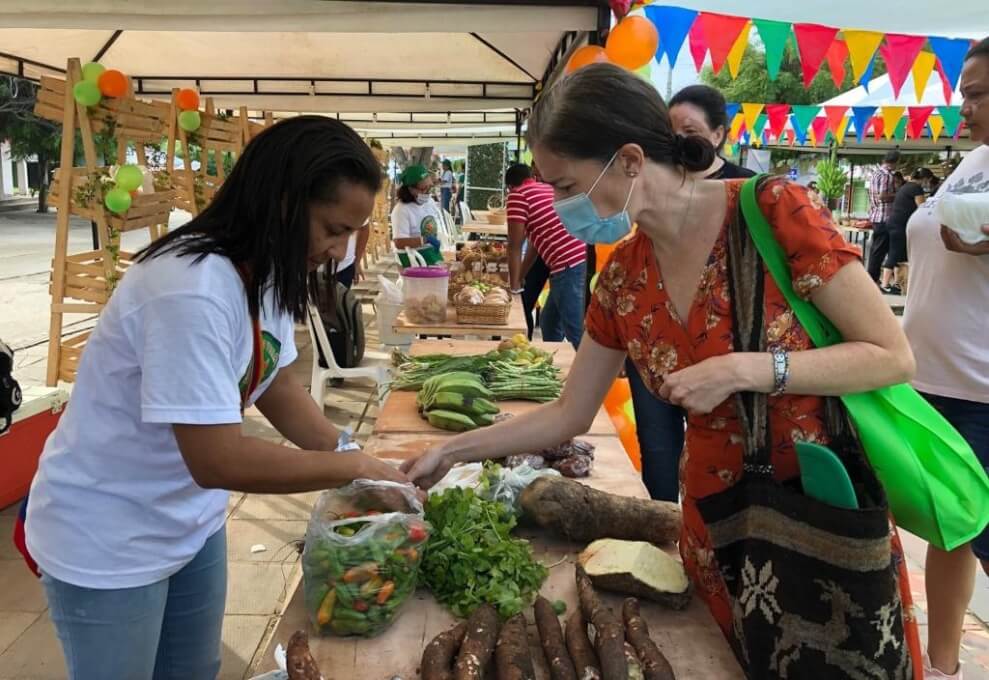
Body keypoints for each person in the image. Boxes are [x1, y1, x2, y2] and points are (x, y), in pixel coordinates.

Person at [402, 63, 921, 672]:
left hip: (813, 513)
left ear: (627, 160)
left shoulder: (772, 210)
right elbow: (569, 412)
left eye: (566, 186)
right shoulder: (622, 276)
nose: (560, 206)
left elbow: (892, 355)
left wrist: (745, 369)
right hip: (712, 520)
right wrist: (454, 451)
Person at [22, 116, 412, 680]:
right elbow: (217, 459)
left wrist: (349, 449)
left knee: (192, 670)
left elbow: (272, 381)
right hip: (110, 537)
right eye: (332, 228)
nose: (337, 251)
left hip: (190, 524)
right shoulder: (190, 287)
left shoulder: (271, 271)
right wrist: (350, 467)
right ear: (281, 201)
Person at [902, 36, 989, 680]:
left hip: (984, 389)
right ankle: (944, 665)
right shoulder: (975, 162)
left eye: (981, 95)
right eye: (965, 94)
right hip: (931, 382)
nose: (966, 109)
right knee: (948, 529)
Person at [625, 84, 756, 500]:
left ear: (718, 134)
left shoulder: (751, 191)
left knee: (725, 474)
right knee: (659, 457)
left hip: (726, 357)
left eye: (691, 129)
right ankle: (661, 536)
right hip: (655, 350)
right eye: (671, 129)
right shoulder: (657, 187)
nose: (679, 139)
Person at [505, 163, 587, 348]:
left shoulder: (517, 196)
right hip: (580, 257)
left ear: (510, 186)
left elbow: (514, 246)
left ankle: (591, 375)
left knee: (575, 331)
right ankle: (557, 365)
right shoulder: (545, 188)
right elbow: (535, 246)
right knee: (549, 322)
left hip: (568, 265)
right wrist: (520, 277)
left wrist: (514, 287)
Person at [668, 84, 757, 180]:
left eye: (690, 131)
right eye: (670, 131)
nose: (677, 137)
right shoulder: (658, 179)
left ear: (718, 135)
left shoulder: (747, 183)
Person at [880, 167, 933, 294]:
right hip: (900, 225)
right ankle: (885, 284)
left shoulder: (905, 186)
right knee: (894, 253)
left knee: (901, 256)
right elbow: (922, 207)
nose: (928, 184)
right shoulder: (916, 188)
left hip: (894, 223)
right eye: (928, 181)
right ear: (924, 179)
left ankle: (898, 285)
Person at [867, 149, 901, 282]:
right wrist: (898, 194)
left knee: (876, 250)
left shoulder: (875, 173)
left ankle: (872, 277)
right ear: (895, 161)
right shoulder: (887, 175)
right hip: (884, 217)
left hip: (875, 215)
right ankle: (872, 278)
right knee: (879, 251)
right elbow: (882, 196)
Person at [391, 164, 442, 251]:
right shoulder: (401, 210)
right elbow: (398, 242)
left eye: (430, 187)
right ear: (410, 189)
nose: (427, 192)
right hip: (415, 258)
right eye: (423, 189)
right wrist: (424, 240)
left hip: (432, 253)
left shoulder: (430, 202)